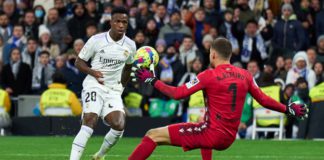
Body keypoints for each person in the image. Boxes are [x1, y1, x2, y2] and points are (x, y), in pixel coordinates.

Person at [128, 38, 308, 160]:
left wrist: (152, 80)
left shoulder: (208, 75)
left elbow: (178, 94)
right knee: (202, 123)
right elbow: (263, 99)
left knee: (152, 135)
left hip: (212, 135)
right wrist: (288, 109)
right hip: (229, 137)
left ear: (213, 54)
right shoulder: (246, 75)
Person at [69, 7, 136, 160]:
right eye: (117, 21)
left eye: (124, 22)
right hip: (94, 84)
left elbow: (128, 67)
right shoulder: (96, 40)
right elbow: (79, 62)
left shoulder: (130, 45)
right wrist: (93, 72)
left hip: (113, 90)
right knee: (90, 121)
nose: (121, 25)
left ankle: (99, 156)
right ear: (111, 22)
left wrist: (121, 88)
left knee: (119, 125)